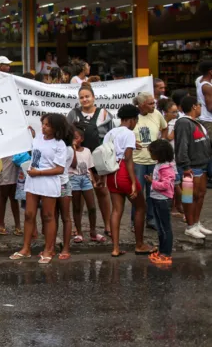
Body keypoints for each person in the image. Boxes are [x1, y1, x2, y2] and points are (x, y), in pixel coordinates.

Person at [10, 113, 70, 264]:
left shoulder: (60, 144)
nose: (43, 127)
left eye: (47, 125)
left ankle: (49, 249)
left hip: (48, 182)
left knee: (48, 216)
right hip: (33, 181)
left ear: (56, 127)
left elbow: (59, 169)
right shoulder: (37, 139)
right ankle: (26, 248)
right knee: (29, 215)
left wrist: (40, 172)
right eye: (43, 124)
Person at [105, 104, 154, 258]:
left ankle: (115, 248)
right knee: (141, 207)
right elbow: (128, 158)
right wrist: (133, 182)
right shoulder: (128, 133)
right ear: (132, 119)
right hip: (123, 173)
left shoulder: (110, 133)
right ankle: (139, 245)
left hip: (111, 174)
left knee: (116, 210)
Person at [66, 84, 115, 237]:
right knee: (77, 194)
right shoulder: (73, 114)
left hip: (99, 159)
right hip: (79, 159)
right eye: (81, 97)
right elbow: (68, 135)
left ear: (93, 97)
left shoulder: (104, 114)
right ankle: (78, 228)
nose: (84, 99)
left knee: (102, 191)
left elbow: (111, 135)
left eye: (87, 96)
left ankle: (107, 225)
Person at [174, 96, 212, 240]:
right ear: (194, 106)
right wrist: (185, 166)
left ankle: (196, 223)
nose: (201, 108)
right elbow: (182, 145)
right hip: (190, 167)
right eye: (199, 105)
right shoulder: (183, 123)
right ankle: (190, 226)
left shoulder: (198, 123)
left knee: (200, 195)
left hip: (202, 165)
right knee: (189, 196)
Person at [132, 92, 169, 231]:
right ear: (141, 105)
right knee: (138, 193)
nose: (154, 105)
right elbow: (123, 133)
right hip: (138, 161)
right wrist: (132, 142)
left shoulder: (157, 114)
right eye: (150, 103)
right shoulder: (133, 116)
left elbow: (164, 128)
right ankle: (135, 221)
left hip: (154, 160)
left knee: (152, 191)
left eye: (154, 102)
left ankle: (151, 219)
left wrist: (162, 141)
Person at [145, 139, 176, 267]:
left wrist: (152, 182)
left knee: (165, 227)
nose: (150, 155)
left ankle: (166, 252)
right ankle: (162, 250)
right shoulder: (159, 165)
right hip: (157, 198)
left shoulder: (167, 168)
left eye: (152, 153)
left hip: (163, 199)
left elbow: (166, 185)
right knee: (160, 226)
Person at [70, 127, 101, 244]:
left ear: (81, 139)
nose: (74, 140)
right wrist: (73, 149)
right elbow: (73, 165)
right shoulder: (69, 151)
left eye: (76, 138)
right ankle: (79, 232)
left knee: (92, 207)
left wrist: (93, 181)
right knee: (77, 207)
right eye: (72, 138)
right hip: (74, 178)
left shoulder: (87, 151)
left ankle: (93, 231)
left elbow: (89, 168)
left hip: (86, 179)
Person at [57, 135, 75, 260]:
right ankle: (51, 246)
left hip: (62, 183)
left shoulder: (67, 149)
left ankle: (66, 248)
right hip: (52, 184)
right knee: (51, 216)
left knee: (65, 216)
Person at [197, 60, 212, 138]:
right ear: (210, 72)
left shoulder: (200, 81)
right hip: (209, 121)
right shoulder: (207, 87)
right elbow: (210, 108)